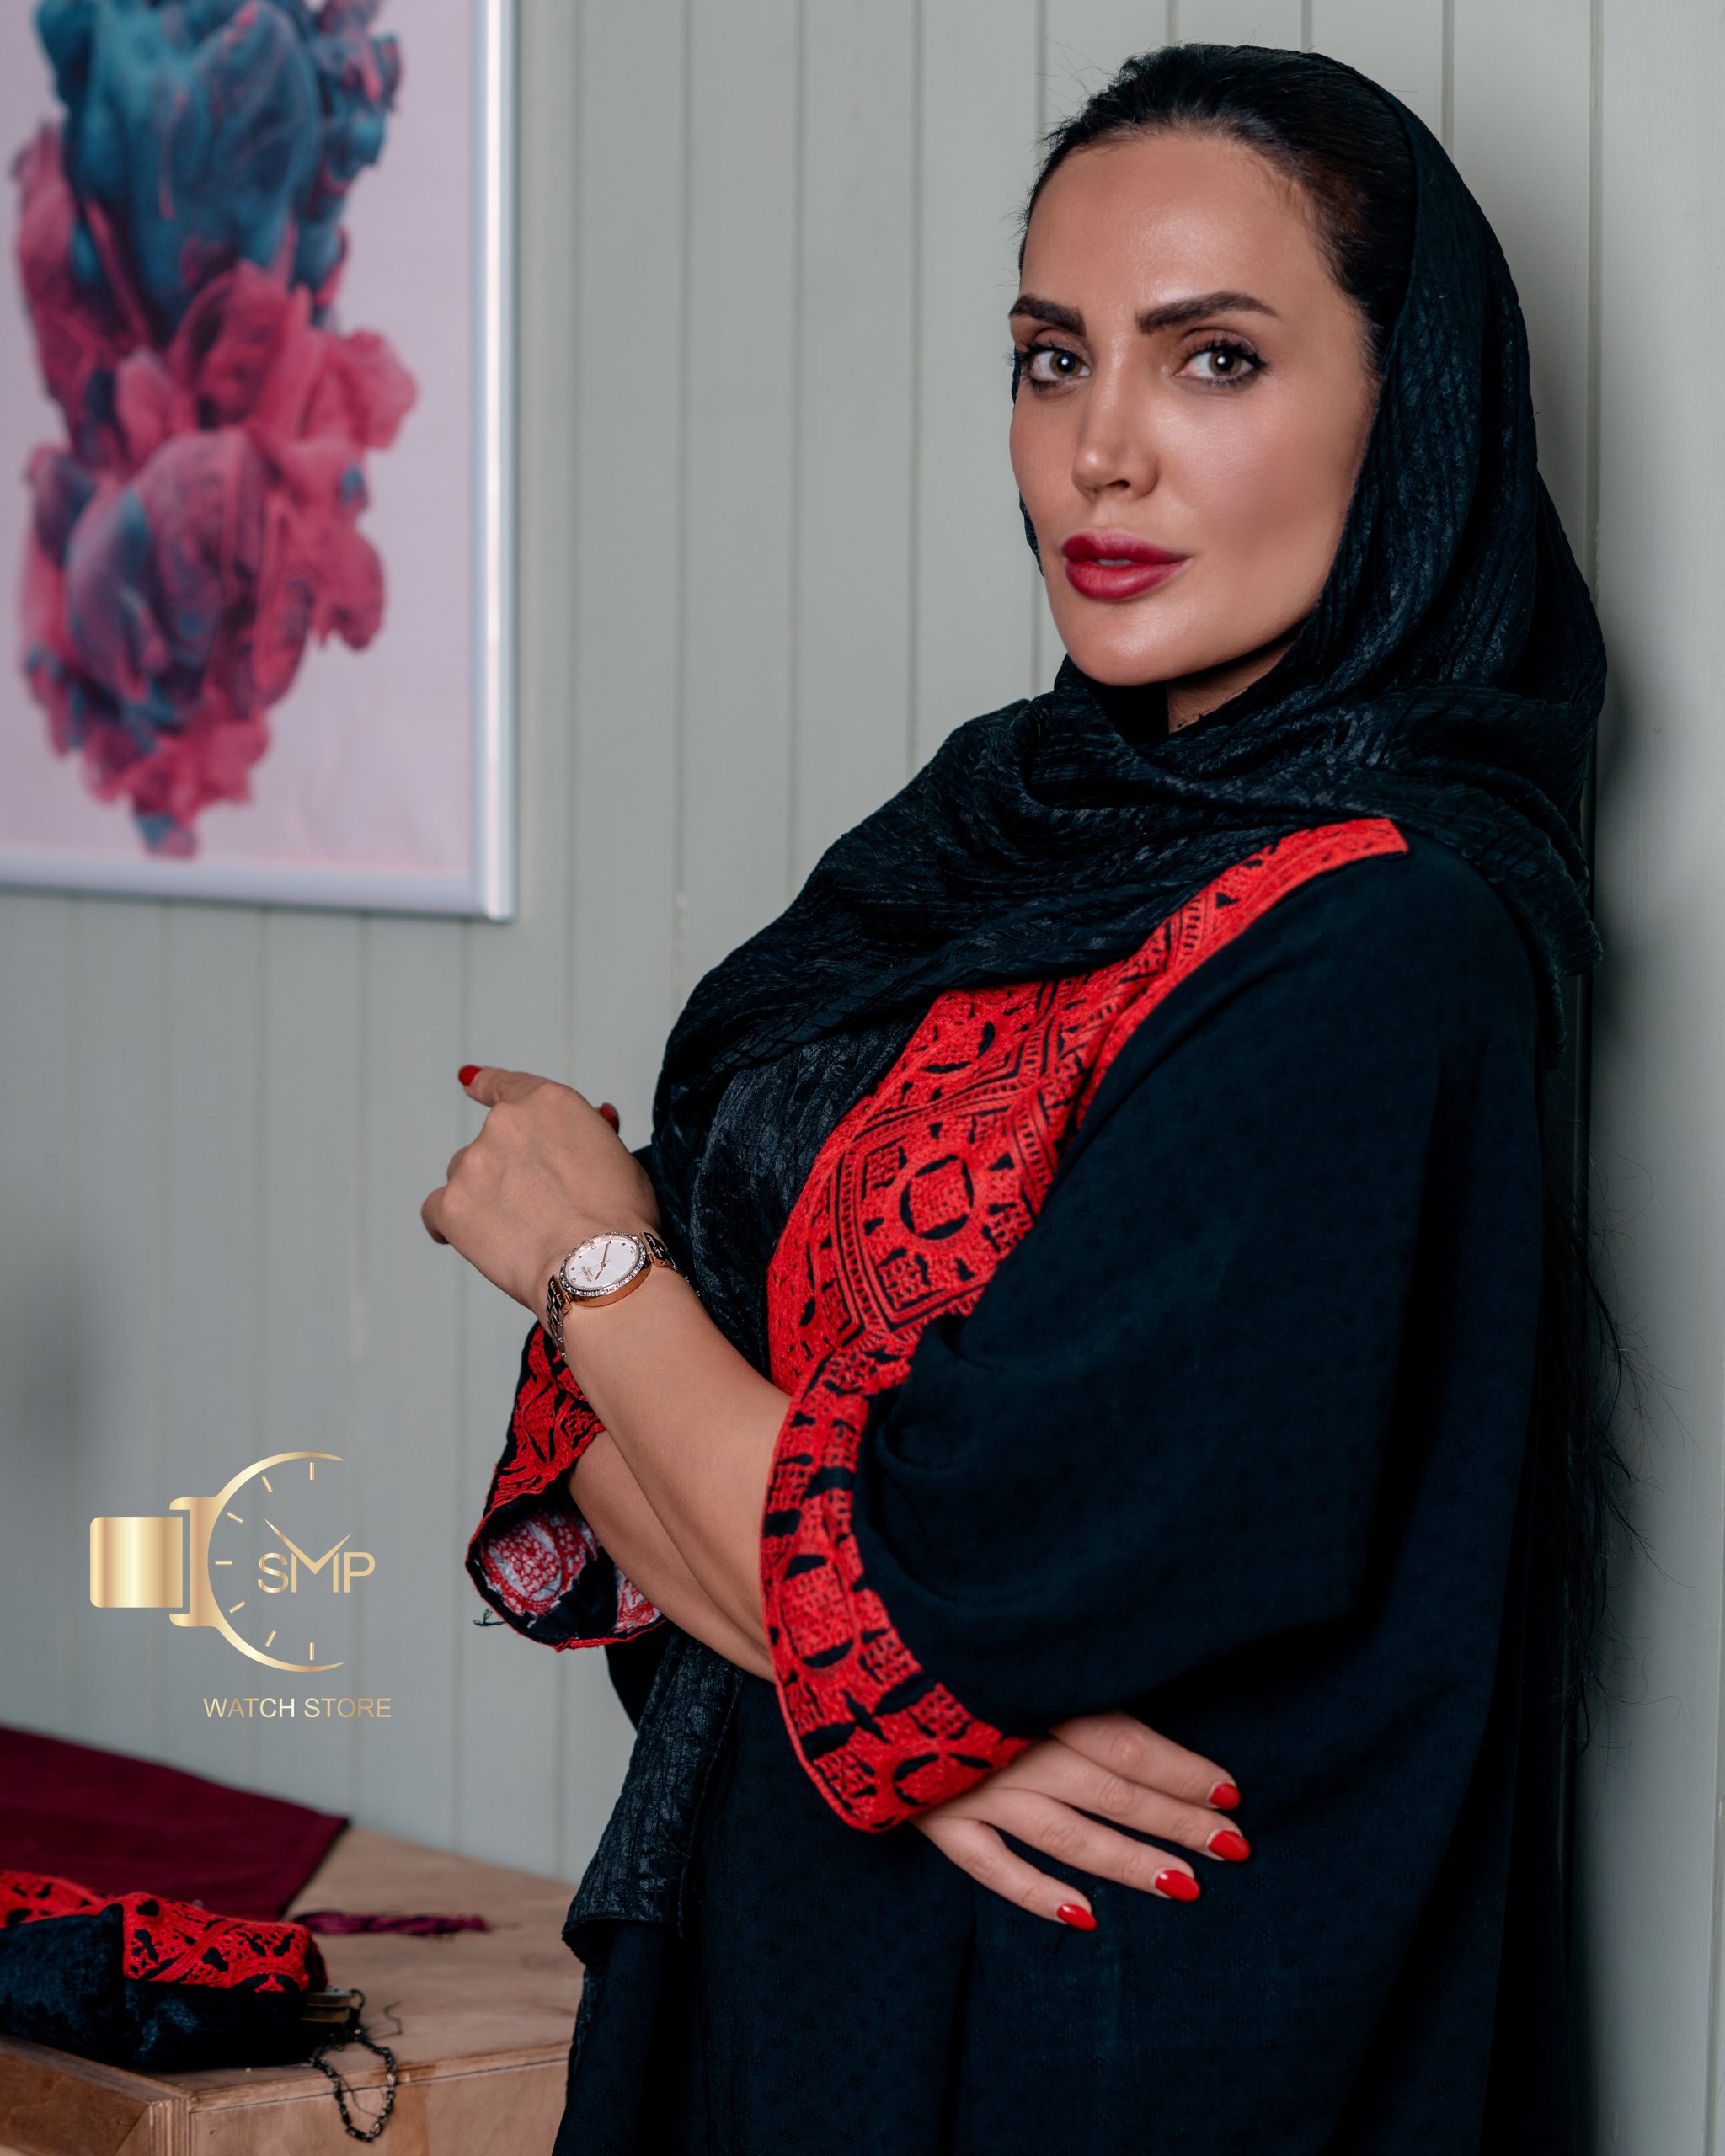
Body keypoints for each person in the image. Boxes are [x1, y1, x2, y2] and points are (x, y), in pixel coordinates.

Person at [424, 42, 1619, 2153]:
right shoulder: (992, 838)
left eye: (1215, 358)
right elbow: (651, 1476)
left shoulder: (1382, 945)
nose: (1100, 450)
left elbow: (903, 1570)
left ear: (1408, 415)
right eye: (1052, 358)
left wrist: (587, 1263)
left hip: (1119, 2047)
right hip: (790, 1980)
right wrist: (878, 1663)